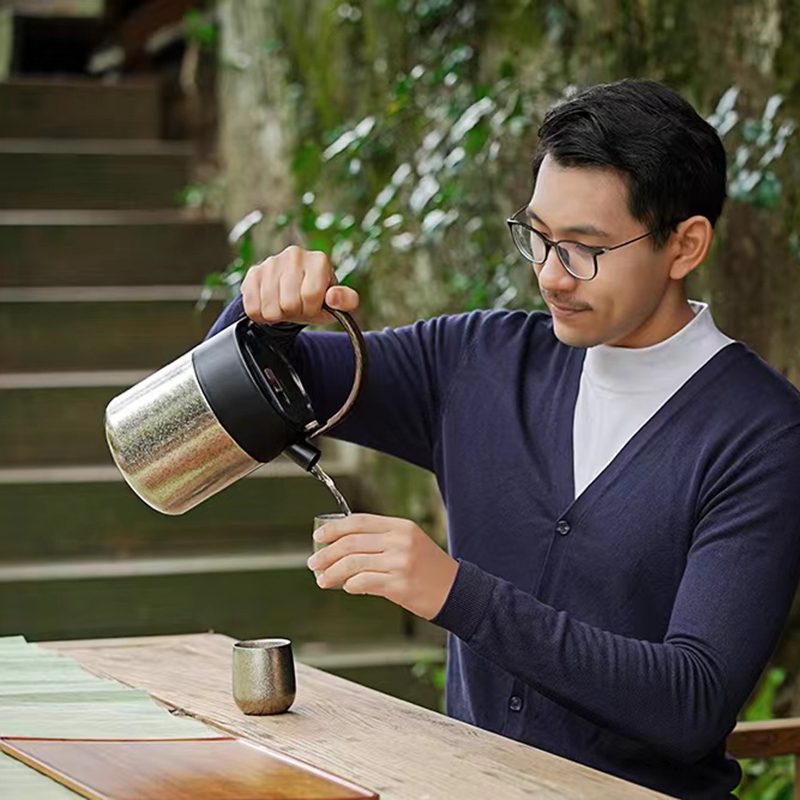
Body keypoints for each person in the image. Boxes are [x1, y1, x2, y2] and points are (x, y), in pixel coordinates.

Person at [205, 78, 800, 799]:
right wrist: (262, 309)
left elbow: (691, 703)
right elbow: (241, 401)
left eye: (584, 248)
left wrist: (455, 592)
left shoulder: (764, 435)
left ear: (685, 245)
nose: (551, 275)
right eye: (538, 237)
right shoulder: (475, 362)